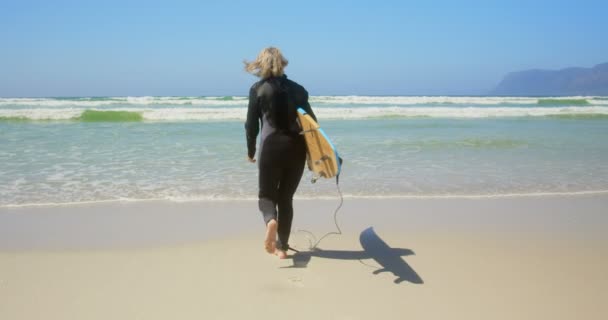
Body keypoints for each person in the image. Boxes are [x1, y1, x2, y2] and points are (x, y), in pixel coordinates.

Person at [244, 47, 316, 259]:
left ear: (261, 64)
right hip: (296, 148)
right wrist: (315, 156)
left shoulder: (257, 89)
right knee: (286, 197)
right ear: (282, 63)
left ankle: (271, 220)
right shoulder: (299, 90)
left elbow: (251, 126)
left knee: (267, 195)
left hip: (270, 148)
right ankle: (282, 246)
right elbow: (312, 125)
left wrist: (250, 151)